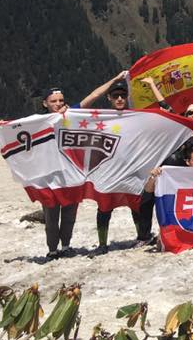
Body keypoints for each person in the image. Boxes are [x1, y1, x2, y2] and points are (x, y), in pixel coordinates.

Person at [81, 73, 138, 255]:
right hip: (108, 169)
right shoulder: (101, 118)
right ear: (109, 98)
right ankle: (102, 244)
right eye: (115, 96)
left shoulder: (137, 116)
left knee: (136, 205)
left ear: (127, 97)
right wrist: (114, 80)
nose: (119, 99)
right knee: (104, 207)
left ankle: (142, 237)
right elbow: (87, 102)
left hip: (130, 168)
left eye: (123, 95)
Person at [38, 87, 78, 260]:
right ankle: (53, 249)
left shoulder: (73, 115)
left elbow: (92, 98)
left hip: (71, 173)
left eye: (61, 100)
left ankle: (66, 246)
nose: (58, 103)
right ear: (45, 103)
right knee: (51, 216)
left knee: (69, 214)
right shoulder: (38, 121)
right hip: (48, 176)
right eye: (53, 101)